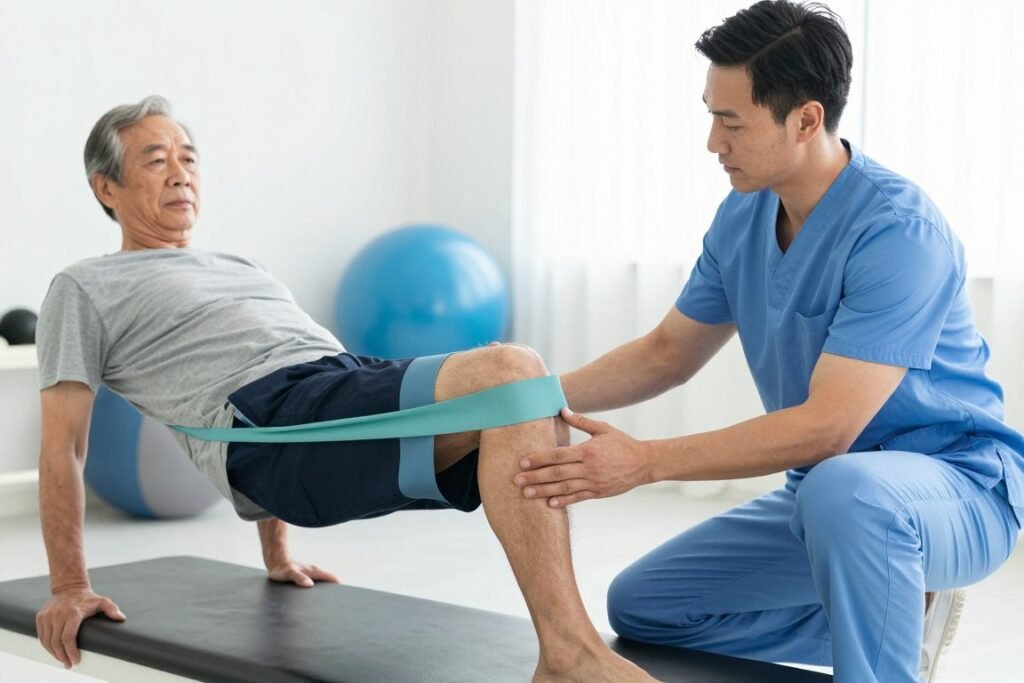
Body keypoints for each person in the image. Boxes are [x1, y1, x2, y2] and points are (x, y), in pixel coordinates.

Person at [33, 96, 654, 683]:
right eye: (156, 160)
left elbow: (303, 375)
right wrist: (68, 587)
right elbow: (65, 446)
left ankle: (563, 650)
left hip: (331, 386)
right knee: (512, 369)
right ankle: (572, 654)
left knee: (532, 405)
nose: (181, 174)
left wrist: (276, 556)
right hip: (270, 426)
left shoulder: (243, 267)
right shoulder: (87, 286)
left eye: (189, 158)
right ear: (106, 188)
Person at [513, 2, 1023, 682]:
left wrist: (645, 462)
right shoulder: (743, 214)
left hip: (957, 488)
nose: (712, 143)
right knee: (647, 606)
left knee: (848, 493)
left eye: (731, 122)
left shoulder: (900, 232)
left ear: (806, 120)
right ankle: (906, 612)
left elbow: (830, 427)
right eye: (709, 115)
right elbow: (667, 352)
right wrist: (524, 396)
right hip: (829, 497)